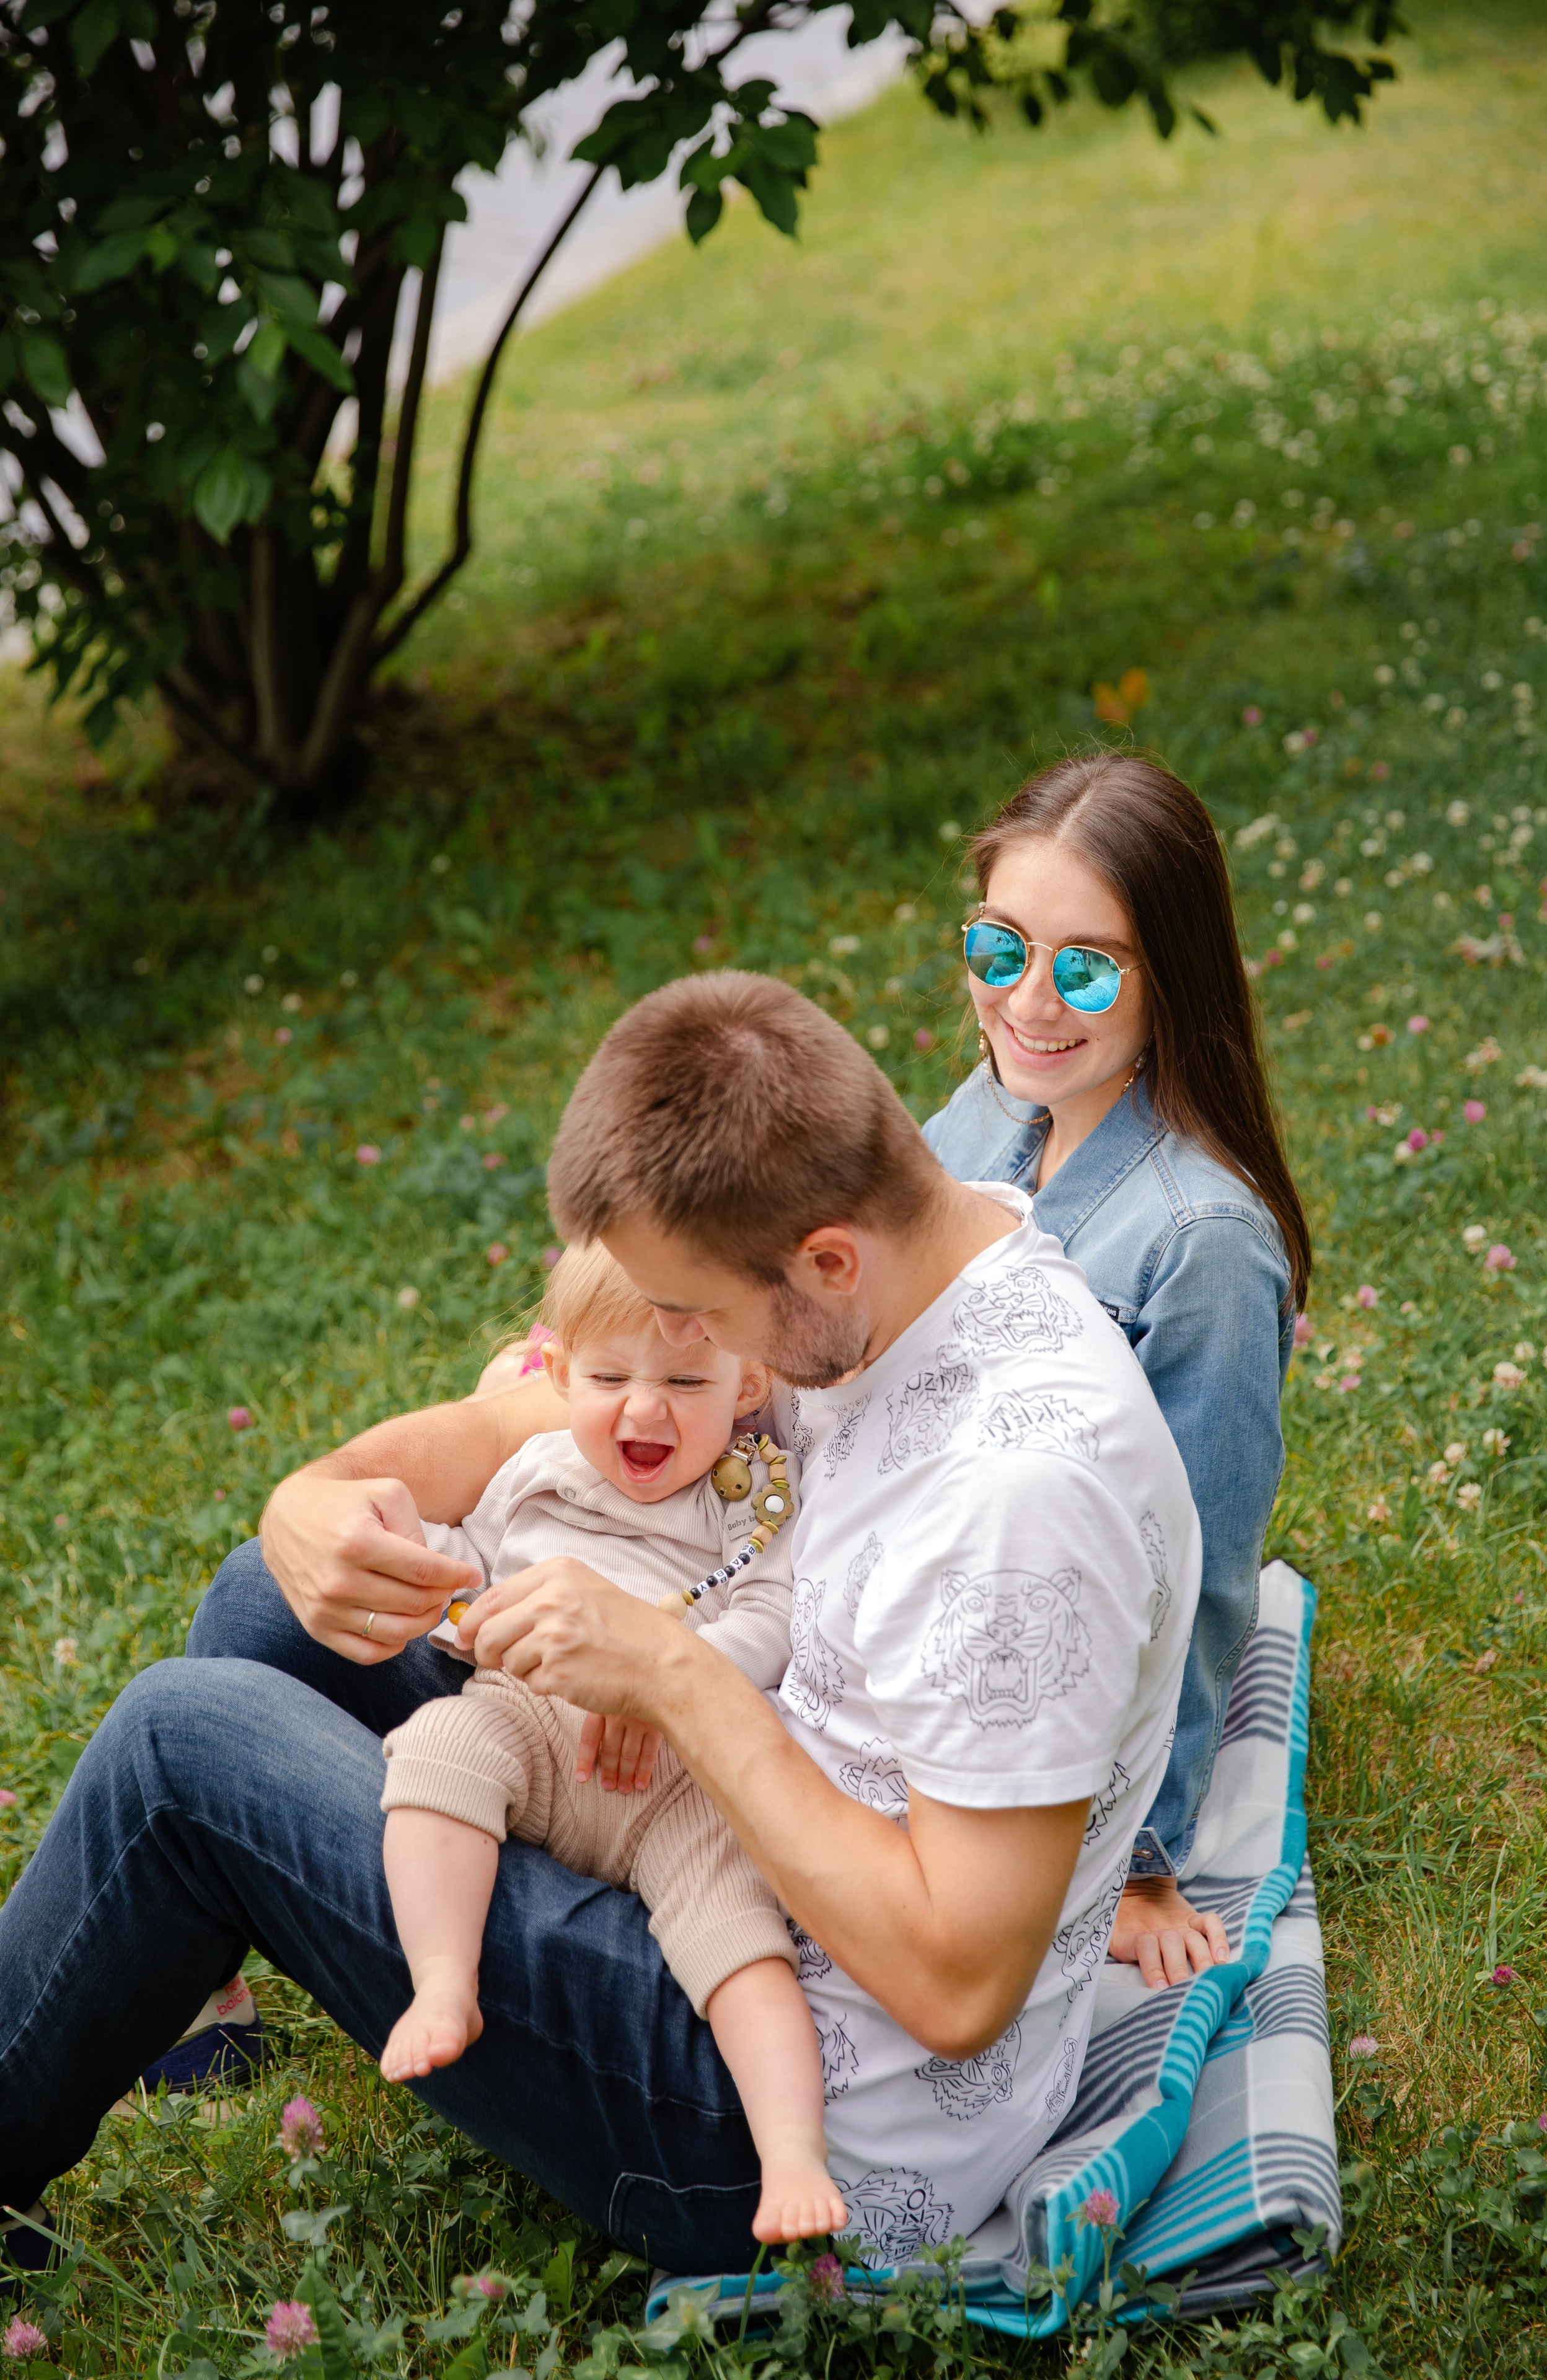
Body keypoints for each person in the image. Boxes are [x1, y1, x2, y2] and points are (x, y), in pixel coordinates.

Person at [0, 972, 1199, 2276]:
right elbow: (523, 1423)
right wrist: (314, 1497)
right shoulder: (911, 1271)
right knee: (264, 1595)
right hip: (693, 1845)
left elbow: (957, 1993)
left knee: (181, 1753)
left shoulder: (1011, 1498)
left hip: (772, 2104)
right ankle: (165, 1987)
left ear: (821, 1266)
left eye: (706, 1328)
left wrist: (674, 1678)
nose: (705, 1370)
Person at [921, 752, 1310, 1991]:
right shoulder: (989, 1108)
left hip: (1013, 1652)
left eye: (1083, 967)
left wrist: (1139, 1863)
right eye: (999, 950)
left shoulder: (1200, 1245)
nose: (1027, 1004)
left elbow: (1193, 1571)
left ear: (1169, 980)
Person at [378, 1238, 845, 2247]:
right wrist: (429, 1568)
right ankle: (444, 1980)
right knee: (439, 1752)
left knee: (740, 1939)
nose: (645, 1410)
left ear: (748, 1378)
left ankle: (792, 2153)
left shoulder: (750, 1496)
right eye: (608, 1378)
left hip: (682, 1779)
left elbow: (774, 1619)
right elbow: (472, 1568)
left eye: (686, 1377)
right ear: (556, 1376)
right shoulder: (534, 1472)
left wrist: (662, 1666)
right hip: (533, 1728)